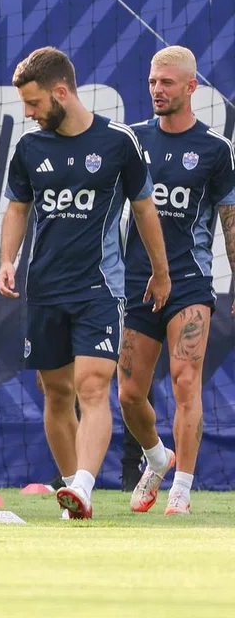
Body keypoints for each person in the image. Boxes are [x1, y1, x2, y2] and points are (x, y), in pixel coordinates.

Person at [0, 46, 171, 520]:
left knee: (93, 387)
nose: (28, 114)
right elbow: (17, 207)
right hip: (45, 289)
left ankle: (83, 487)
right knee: (55, 392)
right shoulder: (30, 148)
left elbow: (144, 209)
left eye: (33, 104)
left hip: (99, 288)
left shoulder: (118, 142)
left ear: (61, 92)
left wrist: (160, 271)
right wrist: (6, 259)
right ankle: (81, 495)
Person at [118, 45, 235, 515]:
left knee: (187, 381)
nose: (157, 90)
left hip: (189, 280)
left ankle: (182, 490)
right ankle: (156, 457)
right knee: (129, 393)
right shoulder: (132, 141)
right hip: (136, 278)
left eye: (167, 82)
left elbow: (229, 218)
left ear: (192, 87)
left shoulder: (215, 149)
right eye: (152, 81)